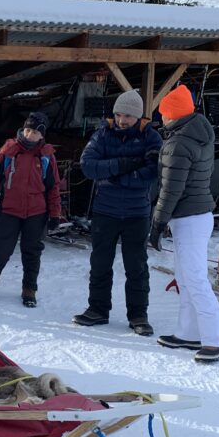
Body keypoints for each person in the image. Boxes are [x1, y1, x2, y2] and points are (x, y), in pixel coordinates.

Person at [149, 84, 219, 363]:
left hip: (189, 217)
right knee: (185, 277)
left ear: (174, 114)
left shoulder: (179, 143)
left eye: (164, 114)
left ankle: (214, 340)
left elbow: (171, 189)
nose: (162, 119)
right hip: (194, 215)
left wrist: (157, 222)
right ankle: (188, 333)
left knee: (195, 279)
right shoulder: (196, 133)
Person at [74, 90, 162, 335]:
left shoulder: (151, 137)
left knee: (136, 266)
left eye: (128, 116)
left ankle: (138, 315)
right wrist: (122, 165)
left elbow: (153, 171)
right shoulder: (102, 134)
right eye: (118, 114)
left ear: (138, 116)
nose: (122, 120)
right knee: (100, 263)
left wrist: (114, 176)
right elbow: (88, 166)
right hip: (106, 211)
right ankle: (97, 309)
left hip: (137, 213)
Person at [0, 112, 61, 308]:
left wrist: (55, 213)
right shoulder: (8, 151)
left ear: (42, 135)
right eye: (27, 130)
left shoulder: (46, 156)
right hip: (9, 210)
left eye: (34, 132)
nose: (29, 135)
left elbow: (53, 187)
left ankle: (29, 290)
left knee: (32, 252)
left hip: (36, 213)